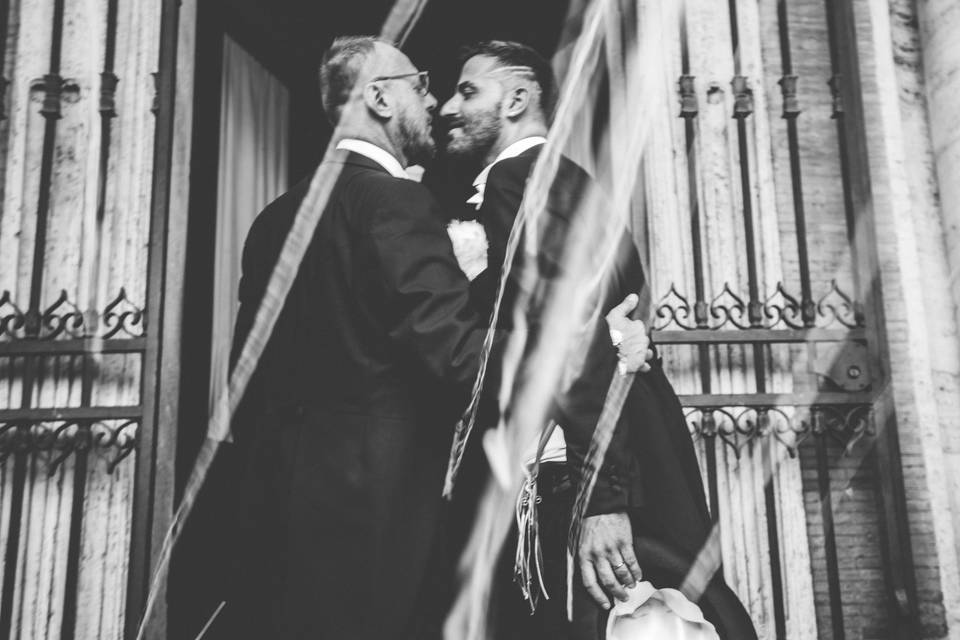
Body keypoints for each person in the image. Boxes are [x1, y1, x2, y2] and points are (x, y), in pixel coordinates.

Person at [223, 36, 649, 639]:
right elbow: (458, 359)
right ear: (378, 97)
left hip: (273, 515)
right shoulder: (392, 202)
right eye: (419, 84)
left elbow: (246, 375)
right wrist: (574, 343)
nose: (435, 101)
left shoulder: (275, 217)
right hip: (380, 517)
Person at [439, 40, 758, 640]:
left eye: (467, 91)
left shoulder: (522, 183)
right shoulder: (562, 182)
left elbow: (577, 338)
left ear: (517, 98)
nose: (447, 107)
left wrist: (598, 497)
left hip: (574, 470)